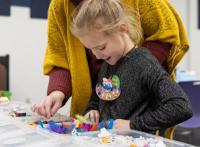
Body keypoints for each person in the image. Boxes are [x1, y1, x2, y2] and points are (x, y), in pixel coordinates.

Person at [32, 0, 190, 123]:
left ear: (122, 28)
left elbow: (180, 106)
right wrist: (92, 109)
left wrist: (132, 125)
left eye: (100, 47)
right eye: (90, 50)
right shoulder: (108, 63)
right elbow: (99, 95)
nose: (97, 56)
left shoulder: (145, 65)